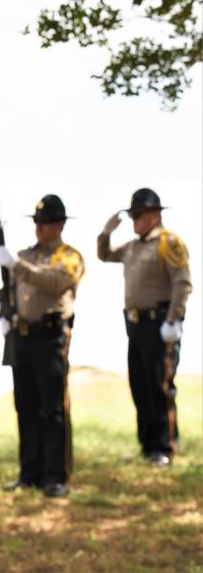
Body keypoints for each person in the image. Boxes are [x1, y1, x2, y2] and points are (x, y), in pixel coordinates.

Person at [97, 188, 192, 467]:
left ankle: (164, 446)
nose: (134, 221)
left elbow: (182, 283)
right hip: (135, 324)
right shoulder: (133, 246)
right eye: (132, 216)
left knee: (159, 385)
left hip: (159, 323)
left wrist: (173, 319)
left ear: (154, 215)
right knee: (139, 384)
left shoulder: (169, 243)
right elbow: (104, 255)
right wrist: (106, 232)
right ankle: (147, 445)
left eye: (138, 215)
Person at [0, 195, 84, 497]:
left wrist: (16, 267)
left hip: (50, 337)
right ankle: (30, 472)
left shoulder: (69, 256)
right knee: (26, 405)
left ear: (59, 225)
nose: (39, 228)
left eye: (45, 223)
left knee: (52, 407)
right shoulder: (25, 255)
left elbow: (54, 282)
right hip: (22, 336)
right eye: (36, 222)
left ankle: (55, 475)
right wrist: (5, 315)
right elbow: (10, 289)